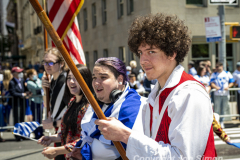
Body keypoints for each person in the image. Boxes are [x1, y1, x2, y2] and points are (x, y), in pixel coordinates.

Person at [95, 13, 216, 159]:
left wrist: (126, 135)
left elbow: (182, 157)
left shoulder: (190, 94)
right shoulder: (156, 94)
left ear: (172, 53)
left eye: (151, 52)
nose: (143, 60)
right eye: (140, 52)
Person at [69, 57, 146, 160]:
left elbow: (134, 150)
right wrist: (82, 151)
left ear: (120, 79)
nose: (96, 83)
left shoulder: (134, 105)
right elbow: (88, 135)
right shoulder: (97, 103)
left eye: (103, 77)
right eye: (94, 78)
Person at [38, 64, 93, 159]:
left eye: (75, 78)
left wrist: (56, 150)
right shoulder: (72, 101)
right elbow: (65, 132)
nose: (71, 82)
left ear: (85, 80)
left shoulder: (90, 106)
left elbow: (85, 139)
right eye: (69, 78)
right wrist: (51, 138)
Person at [41, 48, 71, 160]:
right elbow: (49, 105)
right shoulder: (53, 81)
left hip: (67, 133)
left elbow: (73, 111)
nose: (47, 65)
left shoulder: (65, 82)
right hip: (59, 132)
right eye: (45, 62)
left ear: (61, 63)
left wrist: (54, 123)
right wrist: (45, 90)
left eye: (51, 63)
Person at [210, 62, 235, 128]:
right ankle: (217, 122)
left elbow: (232, 82)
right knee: (217, 109)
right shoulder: (214, 74)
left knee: (224, 108)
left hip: (225, 94)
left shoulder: (227, 73)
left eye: (218, 66)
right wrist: (215, 87)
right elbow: (211, 83)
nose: (217, 68)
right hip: (217, 94)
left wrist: (228, 87)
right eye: (216, 66)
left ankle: (222, 121)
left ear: (222, 66)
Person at [9, 67, 30, 141]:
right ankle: (17, 135)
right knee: (17, 119)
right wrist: (22, 94)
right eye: (18, 72)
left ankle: (22, 134)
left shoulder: (22, 80)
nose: (20, 73)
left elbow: (25, 89)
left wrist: (28, 92)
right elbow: (13, 92)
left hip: (22, 103)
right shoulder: (11, 82)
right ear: (14, 74)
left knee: (22, 119)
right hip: (16, 103)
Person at [26, 69, 44, 139]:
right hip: (34, 101)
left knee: (40, 117)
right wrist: (40, 83)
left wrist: (40, 82)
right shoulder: (29, 82)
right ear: (30, 75)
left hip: (40, 101)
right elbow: (37, 86)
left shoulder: (37, 80)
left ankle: (41, 132)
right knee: (36, 118)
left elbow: (40, 84)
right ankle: (36, 132)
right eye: (34, 74)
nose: (36, 75)